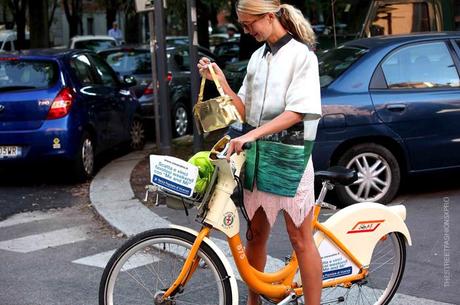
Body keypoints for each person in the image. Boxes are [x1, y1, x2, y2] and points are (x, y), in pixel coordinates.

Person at [197, 1, 322, 305]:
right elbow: (245, 112)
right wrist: (221, 82)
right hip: (258, 157)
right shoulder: (257, 58)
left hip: (290, 156)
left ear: (269, 16)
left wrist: (251, 134)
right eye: (242, 24)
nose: (246, 29)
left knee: (300, 240)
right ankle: (253, 302)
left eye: (249, 23)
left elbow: (298, 111)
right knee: (256, 236)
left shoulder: (301, 56)